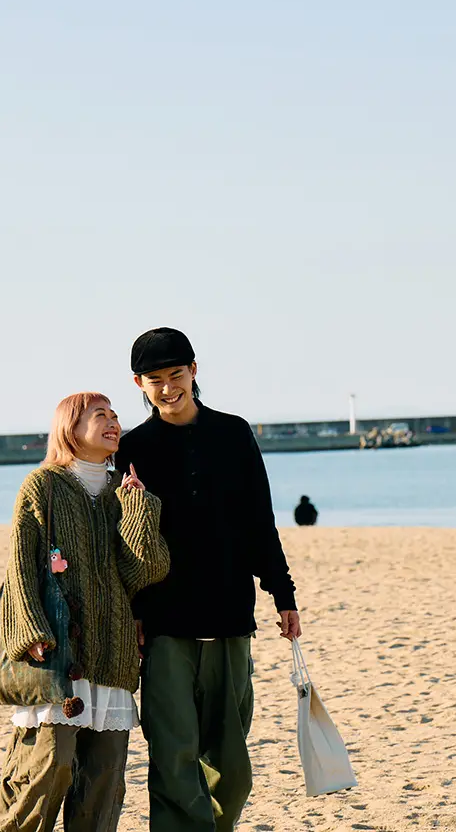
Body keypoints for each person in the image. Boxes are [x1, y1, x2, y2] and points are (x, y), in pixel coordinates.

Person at [115, 327, 301, 832]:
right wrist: (132, 611)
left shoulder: (234, 433)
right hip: (164, 625)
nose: (168, 387)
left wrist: (282, 592)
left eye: (176, 374)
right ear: (139, 384)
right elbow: (122, 544)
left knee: (232, 769)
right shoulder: (132, 448)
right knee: (174, 760)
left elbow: (260, 522)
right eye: (155, 379)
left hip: (230, 619)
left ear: (194, 371)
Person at [0, 392, 170, 832]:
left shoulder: (120, 490)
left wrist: (138, 508)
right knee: (49, 764)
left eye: (115, 415)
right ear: (70, 428)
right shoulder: (43, 485)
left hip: (112, 649)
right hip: (58, 652)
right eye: (100, 415)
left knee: (104, 777)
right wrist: (31, 628)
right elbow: (19, 562)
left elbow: (146, 569)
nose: (113, 422)